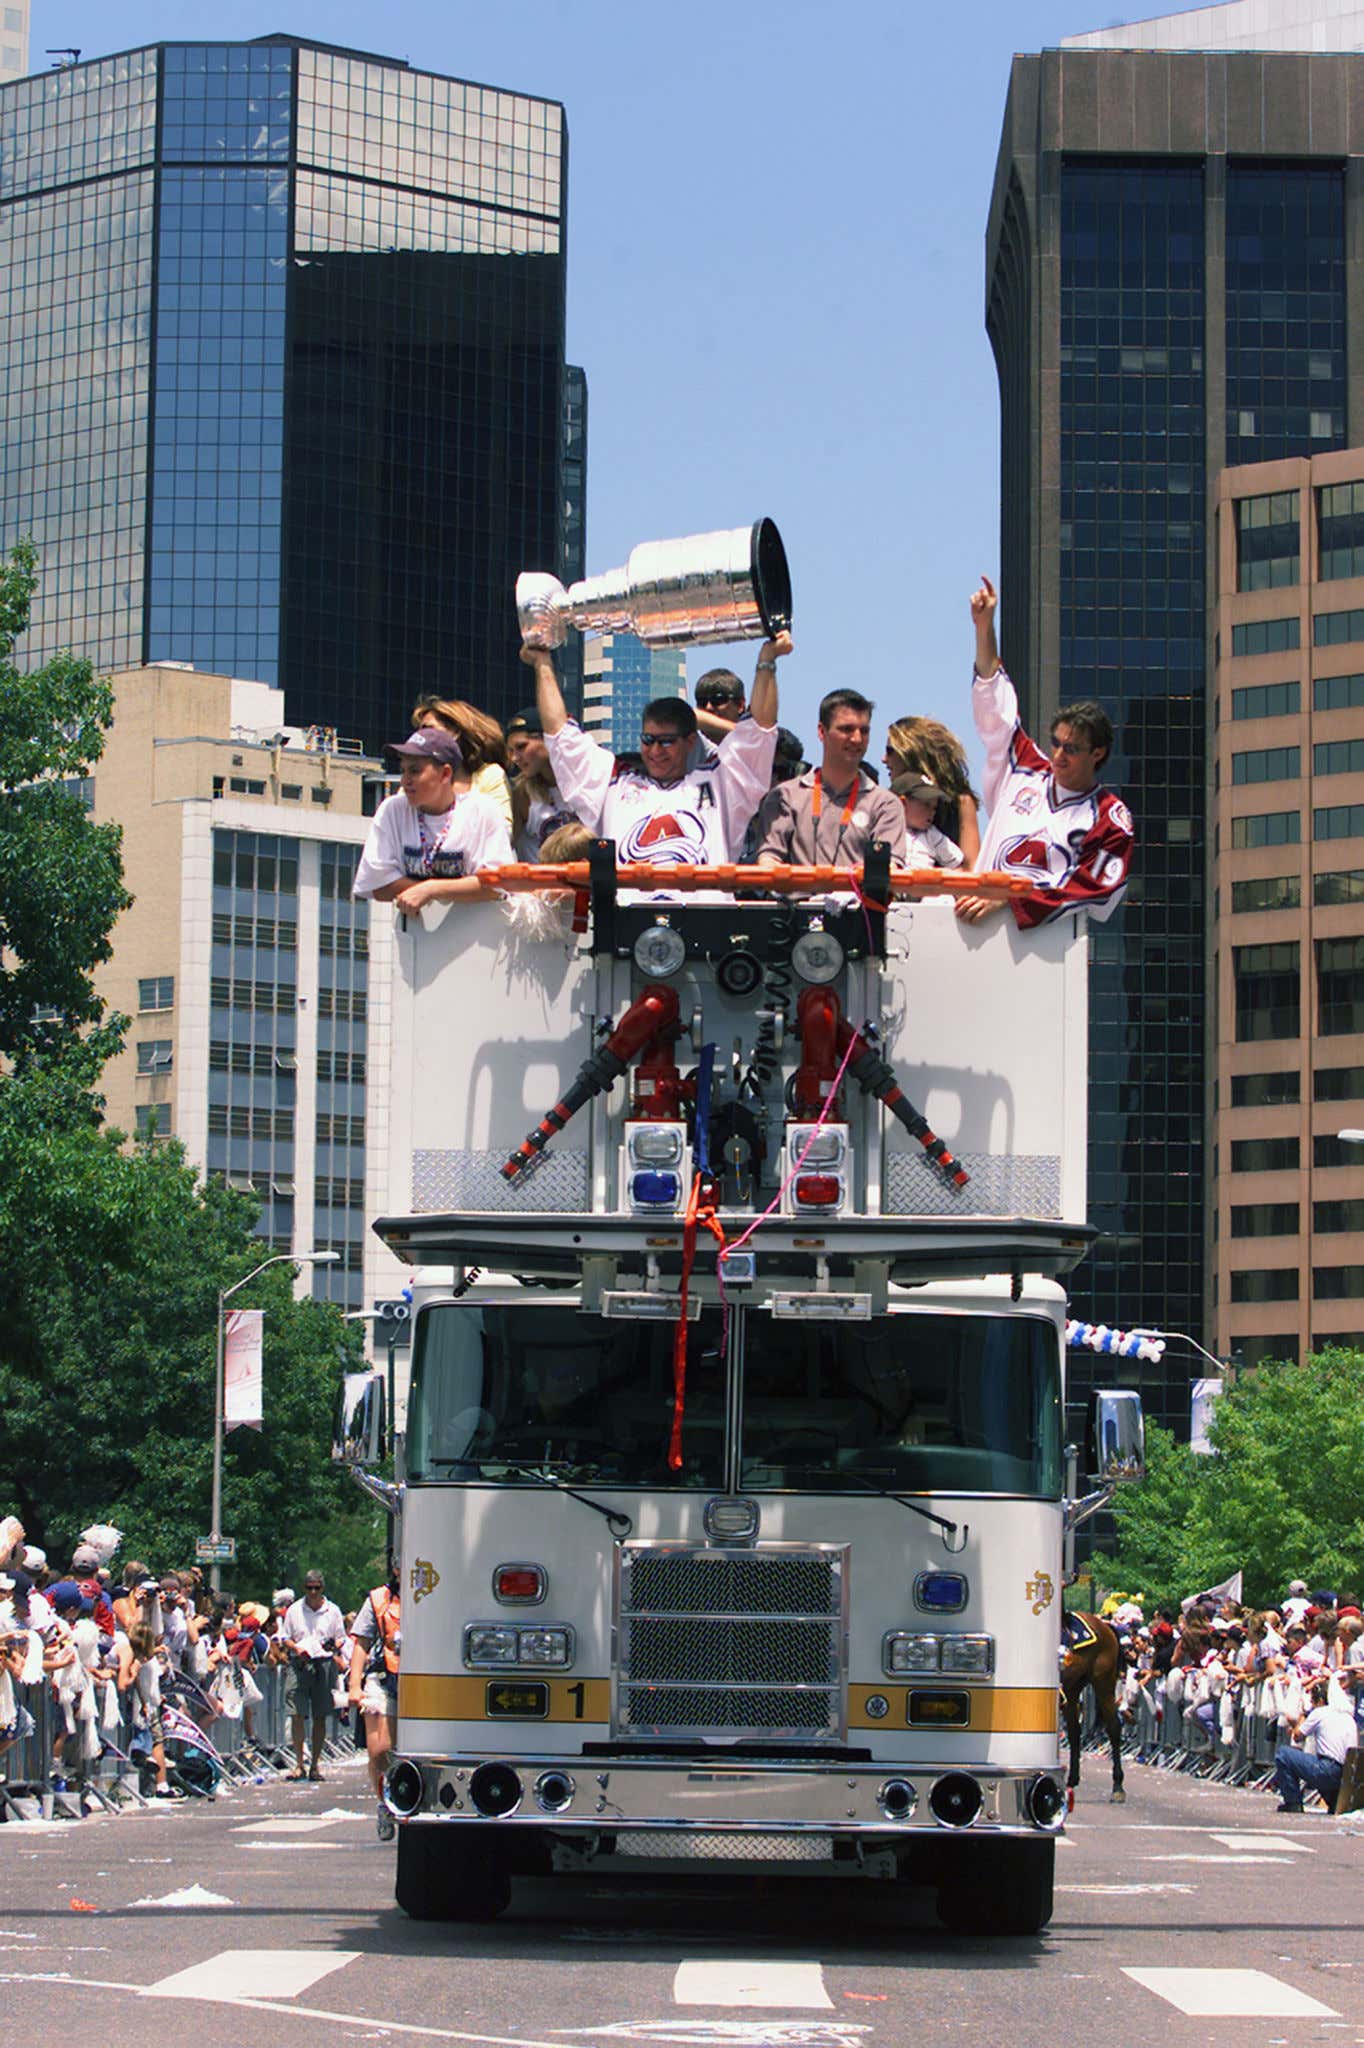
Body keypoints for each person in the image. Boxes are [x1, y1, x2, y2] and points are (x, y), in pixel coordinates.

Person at [958, 574, 1134, 928]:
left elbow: (1094, 888)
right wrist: (983, 627)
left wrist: (1012, 900)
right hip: (975, 933)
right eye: (1055, 742)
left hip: (1047, 954)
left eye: (1072, 748)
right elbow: (997, 707)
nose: (1058, 755)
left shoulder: (1109, 817)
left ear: (1097, 753)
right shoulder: (1024, 767)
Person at [521, 634, 788, 866]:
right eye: (648, 740)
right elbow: (560, 734)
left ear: (690, 742)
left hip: (703, 917)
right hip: (629, 918)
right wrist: (542, 664)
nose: (655, 750)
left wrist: (767, 660)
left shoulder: (719, 784)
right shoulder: (615, 783)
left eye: (667, 741)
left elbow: (761, 730)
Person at [353, 729, 513, 915]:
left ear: (445, 774)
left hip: (474, 937)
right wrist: (458, 889)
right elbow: (377, 884)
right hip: (414, 938)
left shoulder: (483, 811)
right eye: (402, 771)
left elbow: (497, 885)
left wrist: (431, 890)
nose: (405, 781)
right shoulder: (392, 809)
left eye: (414, 771)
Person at [754, 687, 906, 869]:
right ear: (821, 731)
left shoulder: (885, 803)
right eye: (846, 729)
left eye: (864, 731)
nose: (857, 739)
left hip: (857, 897)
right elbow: (769, 858)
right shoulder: (785, 796)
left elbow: (890, 867)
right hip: (797, 897)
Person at [348, 1561, 401, 1842]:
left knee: (396, 1747)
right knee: (378, 1751)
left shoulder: (436, 1593)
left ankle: (404, 1794)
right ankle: (384, 1802)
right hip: (382, 1678)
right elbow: (361, 1642)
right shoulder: (378, 1598)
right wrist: (354, 1684)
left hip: (422, 1681)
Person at [885, 715, 982, 867]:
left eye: (890, 751)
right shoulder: (884, 801)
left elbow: (972, 868)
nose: (884, 759)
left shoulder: (962, 802)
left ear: (911, 752)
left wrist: (929, 881)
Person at [411, 695, 514, 834]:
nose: (421, 736)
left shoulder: (490, 775)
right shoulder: (415, 777)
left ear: (455, 731)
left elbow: (503, 832)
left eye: (428, 729)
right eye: (419, 730)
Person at [279, 1572, 347, 1782]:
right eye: (309, 1588)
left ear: (322, 1588)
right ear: (304, 1588)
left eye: (317, 1587)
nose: (313, 1592)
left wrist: (333, 1646)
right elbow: (285, 1638)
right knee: (296, 1713)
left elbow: (341, 1638)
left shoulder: (332, 1611)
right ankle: (299, 1763)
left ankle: (315, 1765)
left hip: (323, 1663)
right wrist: (297, 1649)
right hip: (300, 1663)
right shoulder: (294, 1610)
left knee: (320, 1715)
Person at [1273, 1676, 1358, 1812]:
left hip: (1326, 1770)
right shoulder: (1349, 1718)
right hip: (1345, 1774)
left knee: (1283, 1754)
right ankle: (1334, 1804)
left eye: (1313, 1701)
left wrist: (1301, 1716)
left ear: (1321, 1700)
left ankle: (1292, 1802)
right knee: (1317, 1760)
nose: (1312, 1705)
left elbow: (1297, 1737)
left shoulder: (1320, 1712)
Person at [504, 705, 577, 860]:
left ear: (546, 739)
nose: (515, 758)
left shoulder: (585, 784)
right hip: (538, 881)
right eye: (510, 751)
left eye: (521, 747)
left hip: (583, 880)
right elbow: (503, 846)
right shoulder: (521, 794)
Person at [890, 775, 965, 869]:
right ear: (902, 803)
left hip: (923, 882)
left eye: (934, 807)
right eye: (926, 805)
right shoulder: (886, 830)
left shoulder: (932, 835)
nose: (932, 812)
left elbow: (958, 866)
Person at [693, 667, 746, 743]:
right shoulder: (691, 747)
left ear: (740, 705)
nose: (708, 707)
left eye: (717, 700)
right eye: (702, 702)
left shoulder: (756, 744)